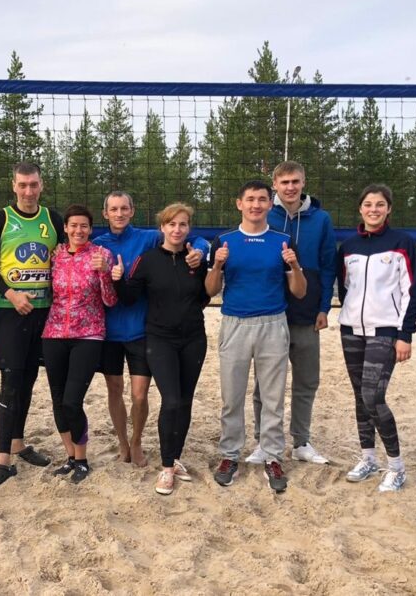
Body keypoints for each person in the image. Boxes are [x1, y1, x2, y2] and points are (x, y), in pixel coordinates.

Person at [92, 191, 207, 467]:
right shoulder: (97, 246)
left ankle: (136, 441)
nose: (119, 214)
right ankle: (122, 442)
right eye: (113, 209)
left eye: (124, 208)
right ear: (105, 213)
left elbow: (191, 238)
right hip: (108, 330)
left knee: (139, 394)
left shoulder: (148, 238)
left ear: (132, 211)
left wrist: (201, 250)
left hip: (141, 329)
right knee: (114, 390)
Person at [206, 181, 306, 494]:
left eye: (262, 199)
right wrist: (217, 264)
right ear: (240, 203)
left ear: (269, 204)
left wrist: (294, 265)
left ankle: (272, 456)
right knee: (232, 396)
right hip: (235, 323)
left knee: (273, 397)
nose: (256, 205)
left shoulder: (283, 241)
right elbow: (210, 290)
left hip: (273, 323)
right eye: (250, 199)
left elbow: (299, 291)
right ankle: (230, 455)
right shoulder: (224, 241)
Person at [0, 162, 65, 488]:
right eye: (23, 185)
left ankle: (17, 443)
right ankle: (2, 459)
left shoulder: (52, 219)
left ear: (42, 185)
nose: (28, 191)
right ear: (13, 186)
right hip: (11, 312)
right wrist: (11, 294)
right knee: (10, 382)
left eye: (34, 185)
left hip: (44, 312)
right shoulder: (0, 219)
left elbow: (63, 259)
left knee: (28, 380)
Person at [247, 161, 336, 466]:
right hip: (270, 312)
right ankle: (263, 441)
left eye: (295, 181)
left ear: (303, 182)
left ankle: (302, 441)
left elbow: (328, 265)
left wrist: (324, 307)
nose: (290, 187)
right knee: (265, 384)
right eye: (284, 182)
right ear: (275, 184)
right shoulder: (263, 214)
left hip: (307, 313)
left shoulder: (321, 219)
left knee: (306, 381)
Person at [337, 184, 416, 493]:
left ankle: (397, 467)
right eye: (368, 204)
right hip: (351, 330)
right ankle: (368, 459)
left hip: (386, 330)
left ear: (389, 209)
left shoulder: (402, 242)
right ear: (360, 209)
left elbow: (412, 291)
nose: (374, 209)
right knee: (360, 396)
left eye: (380, 204)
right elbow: (345, 288)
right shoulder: (348, 246)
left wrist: (405, 334)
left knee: (373, 396)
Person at [43, 204, 117, 484]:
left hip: (88, 334)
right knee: (58, 400)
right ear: (65, 228)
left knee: (72, 401)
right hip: (54, 333)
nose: (78, 230)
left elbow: (110, 300)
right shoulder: (56, 255)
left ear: (91, 229)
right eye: (73, 225)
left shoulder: (102, 255)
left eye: (84, 226)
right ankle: (70, 456)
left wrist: (104, 273)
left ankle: (83, 459)